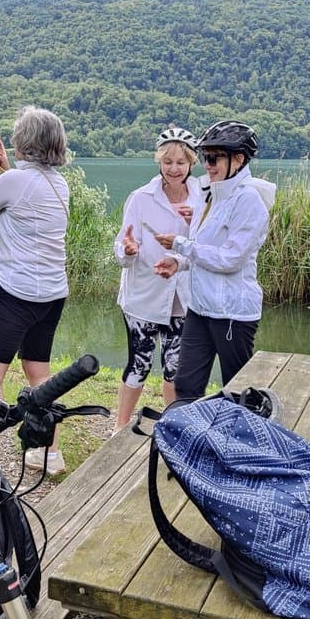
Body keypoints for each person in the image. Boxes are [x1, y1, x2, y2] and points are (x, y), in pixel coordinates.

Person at [0, 105, 70, 474]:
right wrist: (6, 168)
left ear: (24, 141)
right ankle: (49, 454)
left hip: (15, 295)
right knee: (39, 373)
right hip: (52, 294)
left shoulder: (15, 181)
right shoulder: (59, 183)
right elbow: (25, 195)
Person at [154, 120, 275, 401]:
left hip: (232, 313)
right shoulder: (211, 196)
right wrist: (178, 261)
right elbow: (203, 249)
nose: (207, 165)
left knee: (239, 390)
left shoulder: (249, 201)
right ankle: (190, 441)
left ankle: (241, 441)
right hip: (200, 309)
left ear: (239, 159)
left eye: (214, 158)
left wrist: (180, 244)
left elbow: (231, 259)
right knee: (185, 386)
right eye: (205, 158)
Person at [112, 126, 203, 429]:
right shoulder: (140, 199)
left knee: (175, 368)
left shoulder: (203, 200)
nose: (174, 169)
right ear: (159, 163)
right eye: (167, 162)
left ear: (192, 162)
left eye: (180, 162)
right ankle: (119, 429)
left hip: (183, 299)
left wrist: (178, 259)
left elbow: (204, 250)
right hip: (144, 296)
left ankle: (174, 428)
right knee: (140, 364)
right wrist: (128, 249)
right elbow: (121, 245)